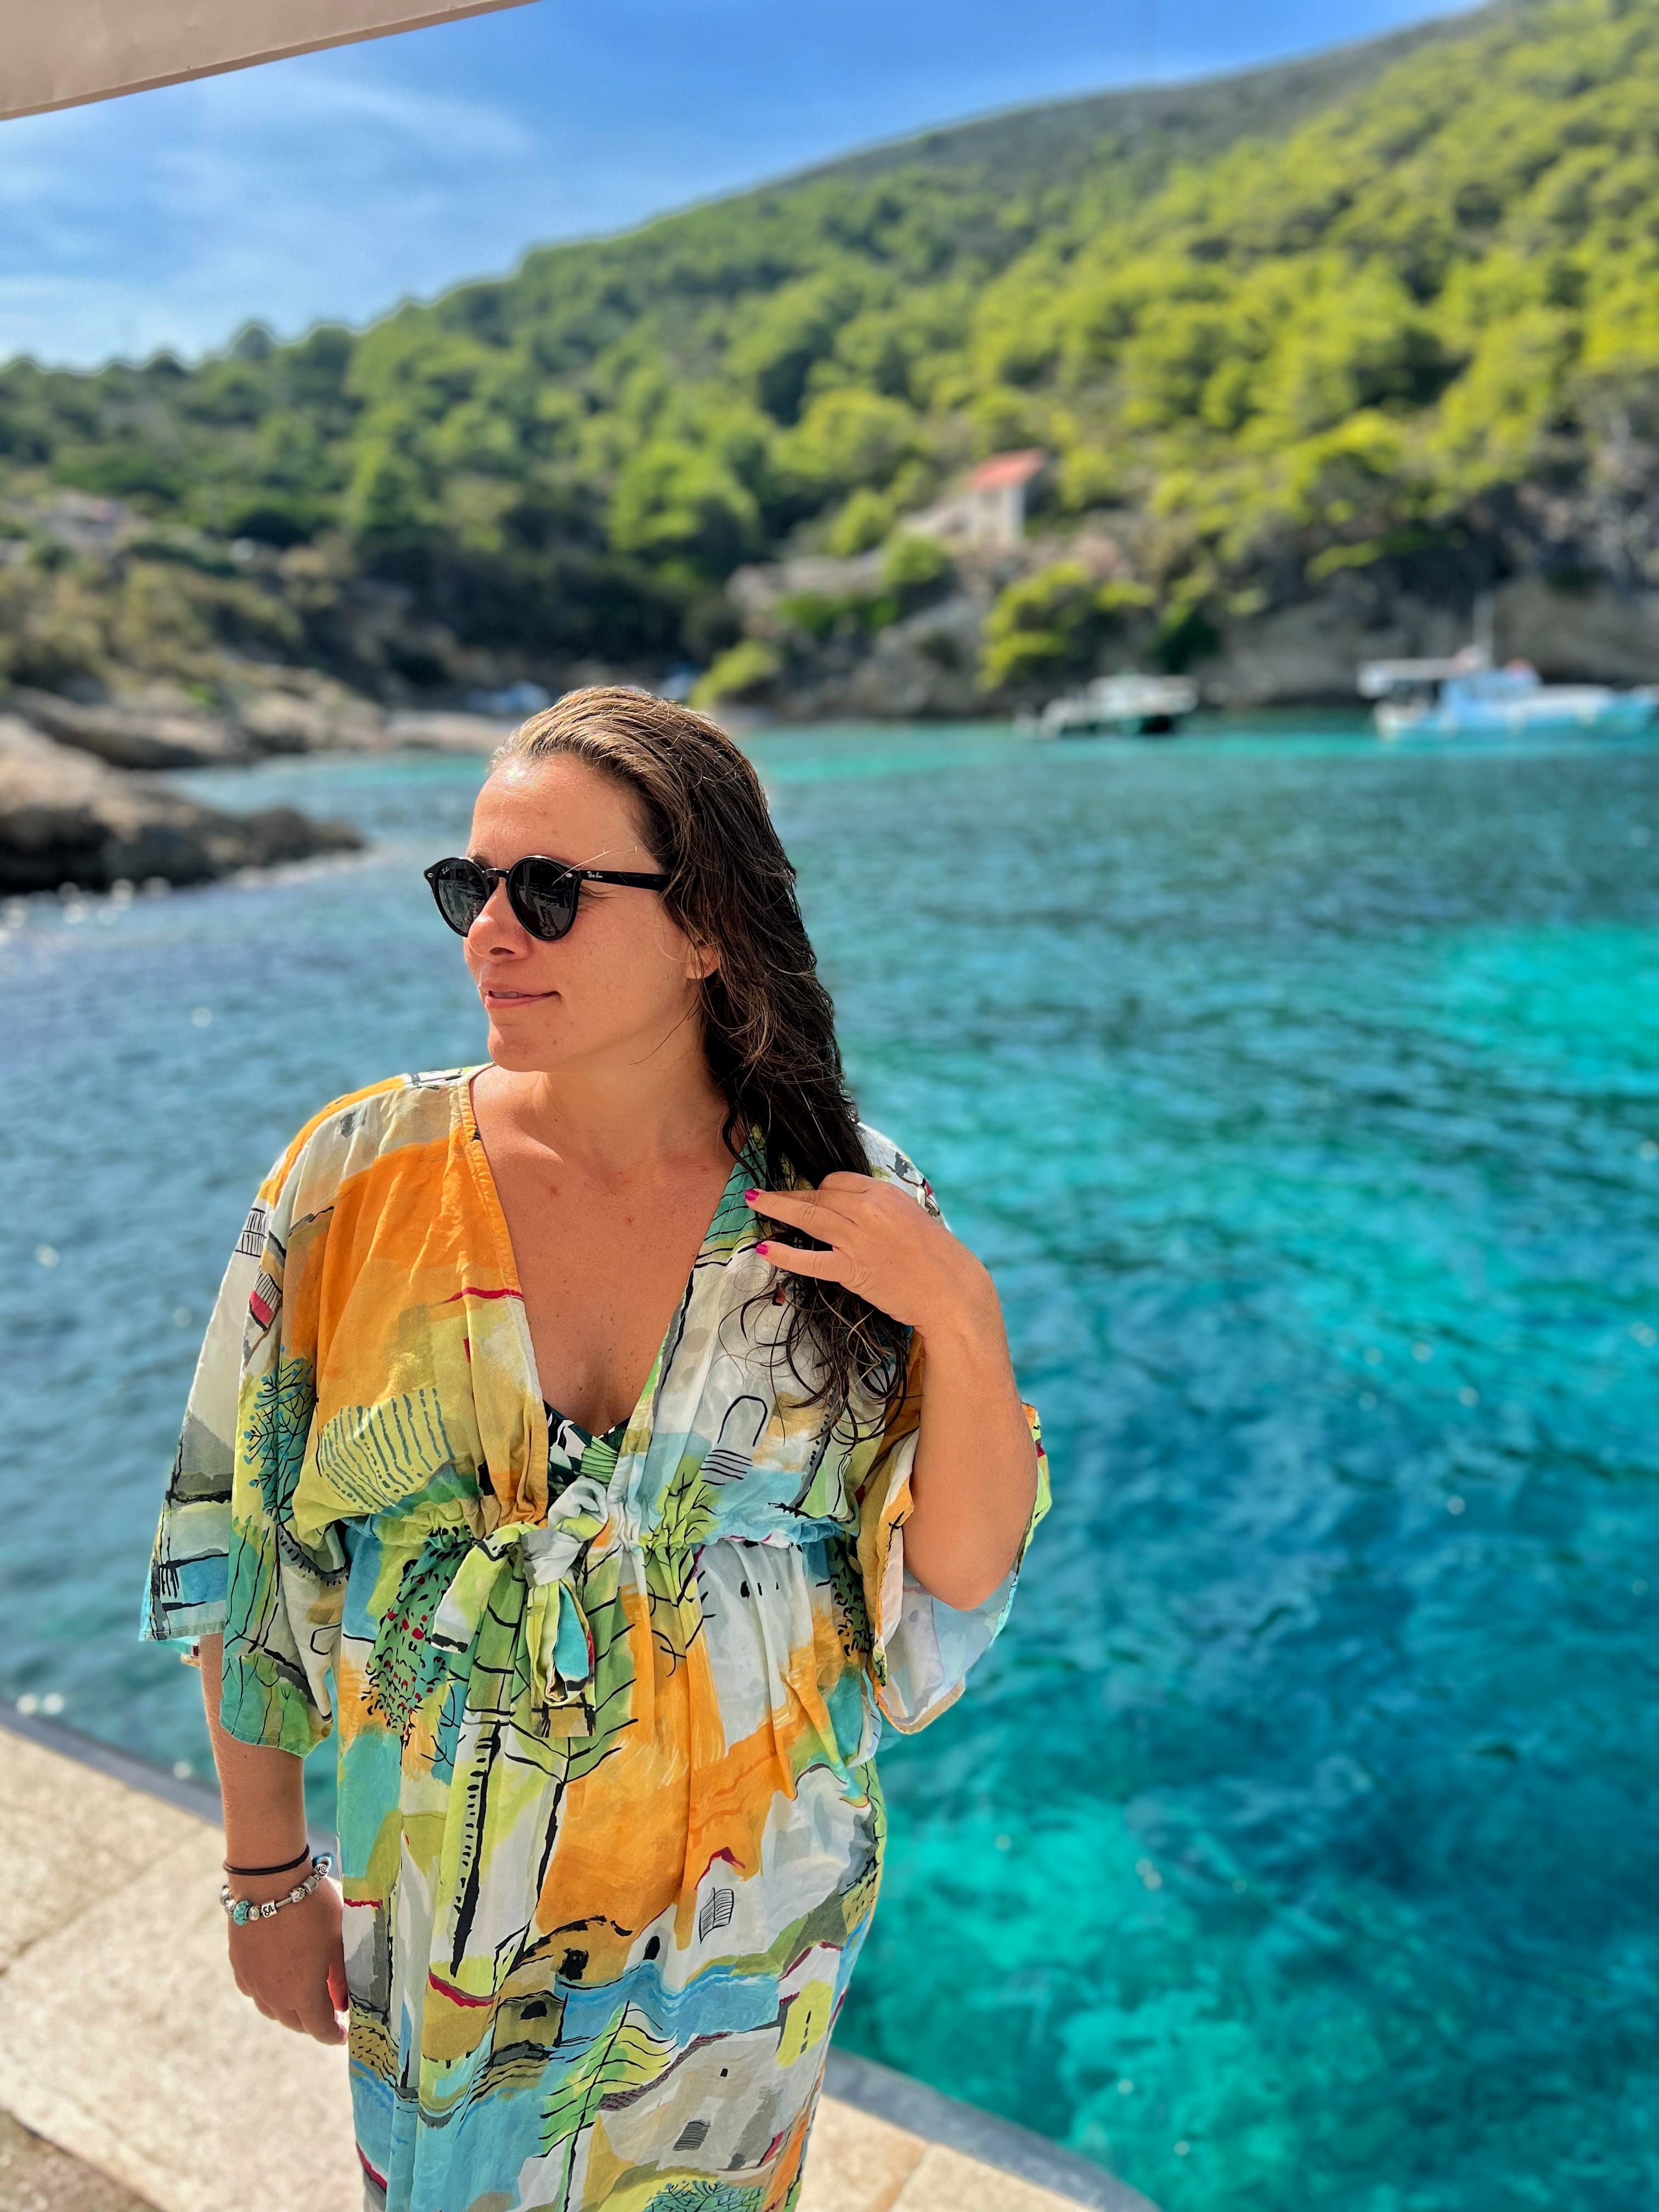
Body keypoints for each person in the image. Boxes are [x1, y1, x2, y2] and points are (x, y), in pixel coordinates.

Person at [143, 687, 1047, 2212]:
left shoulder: (846, 1209)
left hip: (745, 1961)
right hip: (442, 1944)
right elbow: (242, 1542)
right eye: (471, 887)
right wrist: (263, 1873)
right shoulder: (357, 1181)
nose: (491, 934)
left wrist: (962, 1316)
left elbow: (951, 1581)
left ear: (707, 928)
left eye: (550, 892)